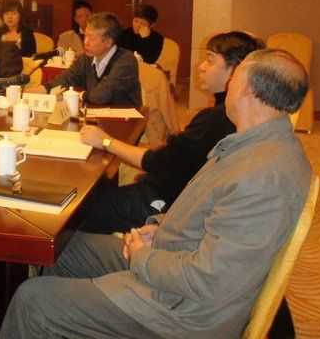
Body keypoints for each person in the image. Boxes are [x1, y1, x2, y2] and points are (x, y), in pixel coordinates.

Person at [0, 48, 312, 339]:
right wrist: (159, 228)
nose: (229, 84)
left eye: (235, 77)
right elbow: (209, 213)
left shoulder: (263, 176)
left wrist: (143, 257)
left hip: (179, 310)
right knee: (65, 248)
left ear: (248, 91)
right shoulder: (255, 144)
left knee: (32, 301)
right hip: (171, 260)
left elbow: (210, 280)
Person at [77, 31, 262, 234]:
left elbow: (159, 163)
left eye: (210, 60)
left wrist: (105, 141)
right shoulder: (240, 114)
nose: (201, 66)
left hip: (168, 205)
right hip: (177, 193)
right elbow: (180, 155)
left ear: (236, 71)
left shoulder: (216, 119)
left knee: (80, 211)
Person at [44, 12, 141, 107]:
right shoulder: (86, 59)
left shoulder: (126, 61)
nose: (86, 42)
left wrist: (81, 95)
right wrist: (44, 89)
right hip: (95, 114)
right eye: (85, 36)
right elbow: (66, 78)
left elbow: (102, 95)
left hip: (125, 116)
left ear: (108, 42)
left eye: (91, 38)